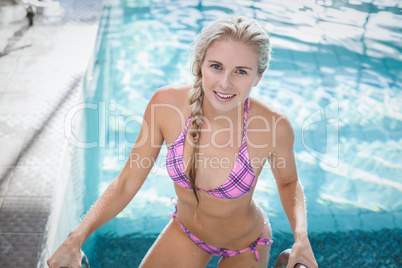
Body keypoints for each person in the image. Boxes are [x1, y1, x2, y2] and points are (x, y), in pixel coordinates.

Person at [47, 16, 318, 268]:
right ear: (200, 64)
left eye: (241, 72)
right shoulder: (166, 105)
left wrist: (301, 237)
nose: (225, 83)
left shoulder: (273, 126)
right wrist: (76, 237)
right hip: (187, 232)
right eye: (216, 66)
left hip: (246, 244)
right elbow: (128, 180)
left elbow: (288, 182)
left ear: (258, 76)